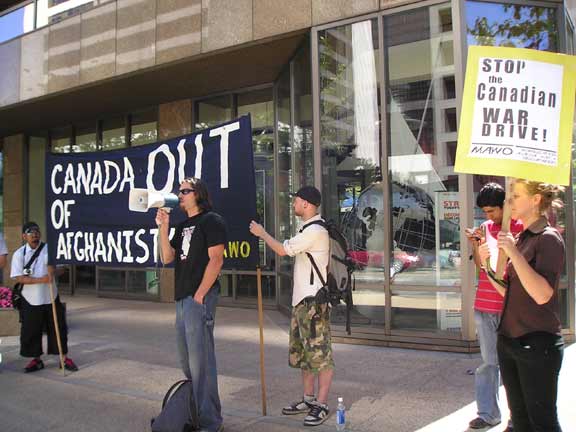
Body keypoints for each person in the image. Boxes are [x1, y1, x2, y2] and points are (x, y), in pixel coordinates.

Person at [479, 180, 565, 432]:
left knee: (542, 423)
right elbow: (509, 291)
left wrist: (513, 253)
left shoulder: (548, 239)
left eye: (515, 196)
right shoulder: (523, 237)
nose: (509, 202)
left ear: (536, 199)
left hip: (537, 344)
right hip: (510, 341)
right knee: (520, 422)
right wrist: (486, 265)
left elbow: (541, 294)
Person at [249, 186, 333, 427]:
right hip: (302, 302)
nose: (293, 204)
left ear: (306, 204)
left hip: (313, 303)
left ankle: (322, 403)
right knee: (305, 354)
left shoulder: (315, 230)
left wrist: (262, 233)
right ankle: (308, 399)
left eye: (296, 201)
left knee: (321, 355)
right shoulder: (307, 229)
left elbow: (282, 250)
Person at [156, 177, 227, 432]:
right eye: (180, 191)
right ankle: (196, 414)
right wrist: (163, 227)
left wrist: (200, 295)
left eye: (185, 190)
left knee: (201, 362)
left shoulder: (212, 220)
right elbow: (167, 257)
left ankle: (210, 421)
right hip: (182, 297)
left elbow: (216, 260)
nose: (180, 194)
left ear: (198, 194)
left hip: (200, 297)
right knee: (187, 361)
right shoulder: (182, 224)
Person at [465, 183, 522, 431]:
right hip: (484, 304)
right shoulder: (485, 228)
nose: (489, 216)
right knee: (489, 363)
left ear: (504, 207)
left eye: (492, 211)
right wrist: (476, 246)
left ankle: (517, 417)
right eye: (485, 212)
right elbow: (479, 266)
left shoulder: (518, 228)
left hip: (510, 305)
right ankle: (488, 413)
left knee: (514, 364)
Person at [10, 222, 78, 373]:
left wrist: (53, 270)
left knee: (58, 328)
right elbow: (18, 277)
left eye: (37, 232)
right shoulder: (19, 254)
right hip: (30, 299)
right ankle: (36, 359)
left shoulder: (50, 249)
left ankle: (63, 357)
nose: (34, 235)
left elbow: (63, 268)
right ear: (24, 236)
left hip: (50, 297)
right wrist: (41, 280)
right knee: (32, 330)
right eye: (30, 233)